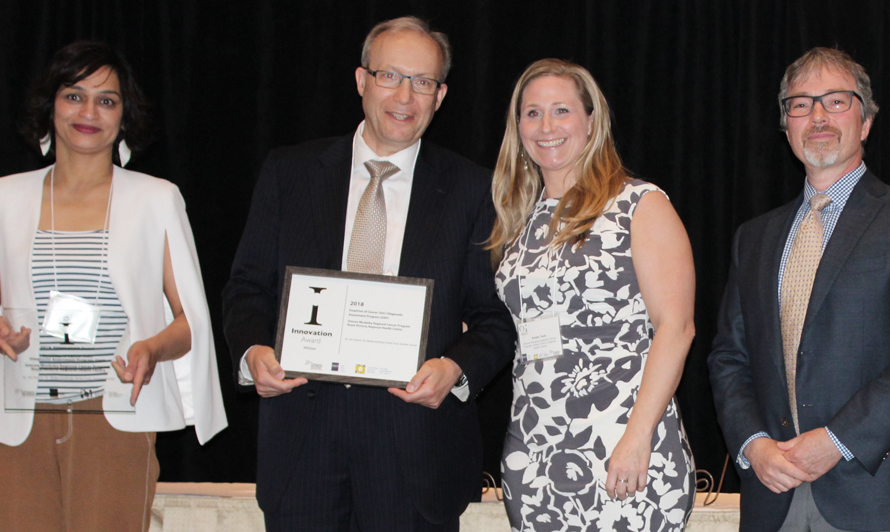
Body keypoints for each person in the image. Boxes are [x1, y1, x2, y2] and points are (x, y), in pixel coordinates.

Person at [222, 16, 515, 532]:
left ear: (440, 95)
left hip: (415, 452)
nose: (405, 95)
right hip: (302, 446)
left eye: (423, 82)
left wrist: (455, 370)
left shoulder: (474, 190)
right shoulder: (289, 173)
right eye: (390, 76)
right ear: (362, 81)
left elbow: (494, 317)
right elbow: (247, 287)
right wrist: (253, 353)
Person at [0, 41, 227, 532]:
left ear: (124, 117)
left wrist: (151, 348)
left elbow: (191, 321)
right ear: (50, 106)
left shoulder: (155, 199)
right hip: (19, 415)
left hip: (112, 414)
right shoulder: (6, 196)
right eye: (74, 95)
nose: (89, 112)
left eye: (107, 100)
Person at [490, 59, 696, 531]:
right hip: (535, 451)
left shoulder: (639, 204)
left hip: (622, 449)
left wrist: (638, 436)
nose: (546, 127)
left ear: (590, 121)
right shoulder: (520, 221)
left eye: (561, 110)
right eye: (532, 113)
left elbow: (677, 327)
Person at [708, 47, 890, 532]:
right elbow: (729, 357)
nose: (818, 117)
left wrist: (838, 439)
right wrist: (752, 444)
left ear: (866, 121)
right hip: (772, 498)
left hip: (873, 494)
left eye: (836, 101)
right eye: (801, 104)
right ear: (786, 126)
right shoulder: (754, 238)